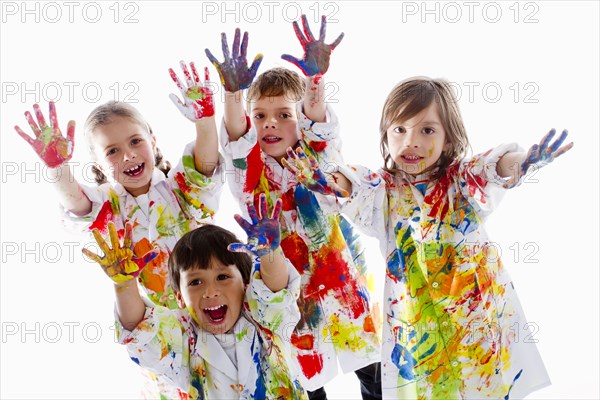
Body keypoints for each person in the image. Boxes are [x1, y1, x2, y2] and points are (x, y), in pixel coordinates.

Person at [285, 76, 572, 399]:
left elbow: (495, 167)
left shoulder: (461, 181)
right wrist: (328, 181)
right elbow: (353, 183)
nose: (411, 142)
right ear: (386, 135)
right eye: (400, 130)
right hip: (419, 331)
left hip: (476, 323)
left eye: (427, 130)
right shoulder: (386, 190)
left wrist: (523, 163)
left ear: (448, 140)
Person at [14, 67, 222, 397]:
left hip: (218, 314)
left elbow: (206, 164)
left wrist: (204, 118)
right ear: (98, 164)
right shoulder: (107, 211)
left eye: (135, 141)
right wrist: (57, 169)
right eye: (111, 150)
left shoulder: (179, 190)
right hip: (164, 342)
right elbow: (75, 202)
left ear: (153, 142)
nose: (127, 155)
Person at [206, 16, 381, 400]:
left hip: (340, 287)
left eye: (284, 114)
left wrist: (315, 82)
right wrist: (234, 95)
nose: (270, 124)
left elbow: (321, 124)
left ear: (300, 118)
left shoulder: (319, 156)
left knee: (373, 372)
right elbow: (235, 137)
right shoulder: (248, 173)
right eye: (261, 116)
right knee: (307, 382)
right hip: (286, 295)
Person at [83, 194, 307, 399]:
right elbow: (140, 330)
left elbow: (277, 293)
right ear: (179, 298)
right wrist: (124, 285)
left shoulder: (264, 319)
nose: (210, 291)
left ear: (246, 283)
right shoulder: (184, 342)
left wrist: (269, 254)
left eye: (222, 276)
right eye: (195, 282)